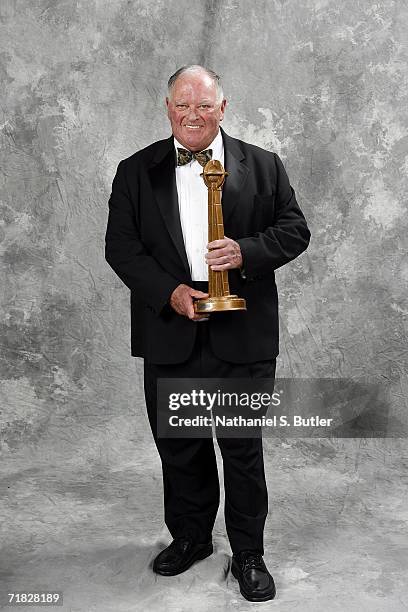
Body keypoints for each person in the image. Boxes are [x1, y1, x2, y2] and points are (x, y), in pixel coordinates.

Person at [105, 65, 310, 602]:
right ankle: (192, 538)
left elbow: (295, 230)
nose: (191, 115)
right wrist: (168, 292)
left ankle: (248, 553)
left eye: (203, 105)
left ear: (224, 107)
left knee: (242, 449)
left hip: (242, 333)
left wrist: (247, 252)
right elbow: (121, 248)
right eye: (181, 104)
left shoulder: (264, 166)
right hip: (172, 326)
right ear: (167, 107)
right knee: (180, 447)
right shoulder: (135, 171)